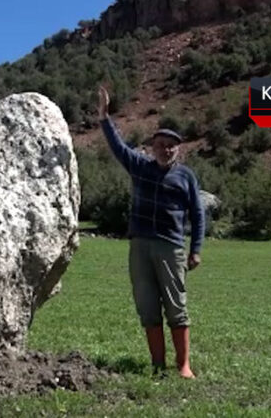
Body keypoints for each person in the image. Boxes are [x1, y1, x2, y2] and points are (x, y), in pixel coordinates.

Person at [97, 85, 204, 379]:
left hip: (171, 247)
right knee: (147, 306)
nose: (165, 149)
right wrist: (104, 117)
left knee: (176, 306)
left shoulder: (186, 176)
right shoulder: (140, 166)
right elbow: (118, 147)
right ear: (152, 146)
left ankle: (183, 365)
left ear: (177, 149)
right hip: (140, 246)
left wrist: (196, 249)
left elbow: (197, 214)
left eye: (170, 145)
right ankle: (157, 365)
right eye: (160, 144)